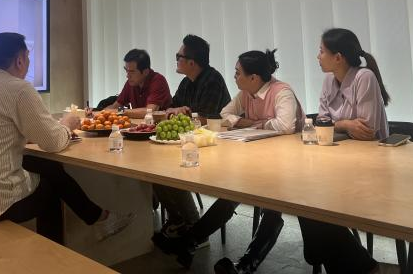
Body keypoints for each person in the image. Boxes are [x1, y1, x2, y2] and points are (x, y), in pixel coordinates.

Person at [0, 32, 133, 243]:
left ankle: (99, 218)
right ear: (20, 60)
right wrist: (68, 124)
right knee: (49, 185)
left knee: (47, 166)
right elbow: (53, 143)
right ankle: (56, 252)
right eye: (28, 57)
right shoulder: (19, 89)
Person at [157, 49, 305, 274]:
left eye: (238, 73)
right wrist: (251, 122)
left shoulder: (281, 92)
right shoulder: (246, 93)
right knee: (232, 193)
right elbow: (224, 114)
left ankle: (246, 264)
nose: (234, 77)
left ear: (253, 77)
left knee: (272, 207)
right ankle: (190, 242)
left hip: (289, 163)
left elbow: (285, 126)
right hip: (259, 157)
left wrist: (250, 123)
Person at [297, 28, 390, 273]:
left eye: (321, 51)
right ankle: (364, 267)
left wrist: (335, 124)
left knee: (316, 206)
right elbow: (322, 122)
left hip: (370, 166)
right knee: (304, 200)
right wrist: (347, 125)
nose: (317, 57)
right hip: (338, 161)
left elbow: (367, 130)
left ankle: (361, 267)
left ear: (338, 57)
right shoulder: (329, 80)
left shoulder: (364, 77)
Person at [154, 35, 231, 238]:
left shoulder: (213, 80)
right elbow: (171, 109)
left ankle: (193, 226)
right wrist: (176, 111)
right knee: (155, 169)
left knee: (171, 170)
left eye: (178, 56)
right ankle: (179, 220)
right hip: (191, 144)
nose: (176, 60)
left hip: (215, 147)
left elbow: (208, 118)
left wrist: (183, 113)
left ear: (191, 62)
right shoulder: (186, 83)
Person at [107, 48, 172, 119]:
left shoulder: (158, 81)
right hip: (139, 124)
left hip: (160, 124)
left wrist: (121, 111)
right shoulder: (131, 82)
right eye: (126, 70)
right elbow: (115, 107)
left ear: (146, 72)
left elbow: (149, 112)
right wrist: (101, 112)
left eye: (132, 72)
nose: (127, 76)